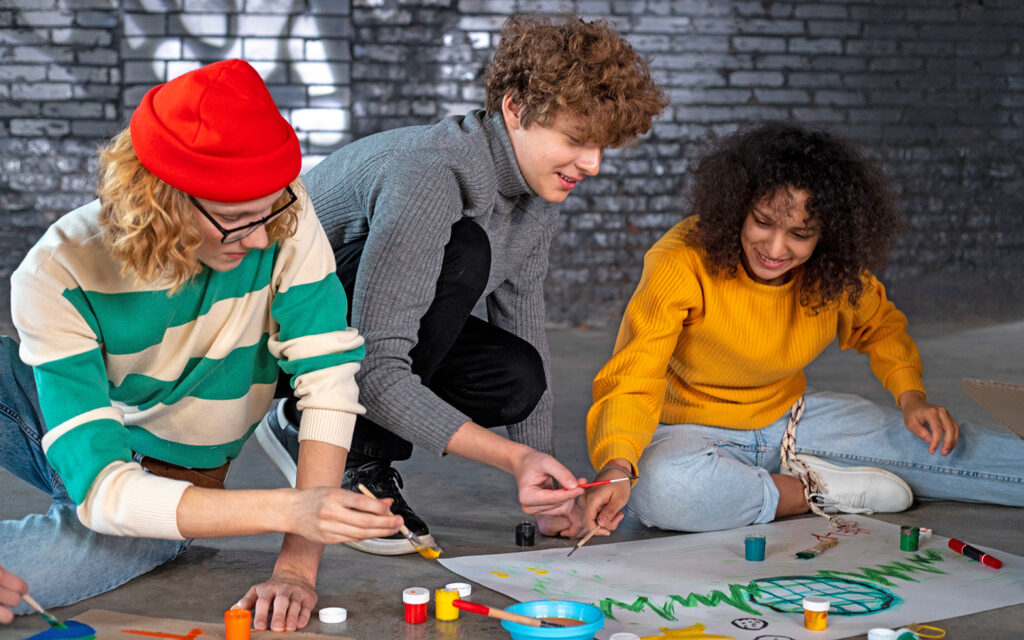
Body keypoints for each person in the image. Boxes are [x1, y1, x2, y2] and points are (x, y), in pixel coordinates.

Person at [0, 59, 402, 632]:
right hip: (69, 417)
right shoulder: (54, 272)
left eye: (270, 211)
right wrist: (293, 507)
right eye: (237, 220)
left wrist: (297, 565)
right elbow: (101, 492)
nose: (262, 238)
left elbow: (328, 380)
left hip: (169, 468)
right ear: (162, 201)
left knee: (62, 563)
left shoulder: (277, 212)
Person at [256, 13, 668, 554]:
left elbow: (525, 328)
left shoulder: (535, 196)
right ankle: (335, 442)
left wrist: (550, 492)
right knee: (467, 249)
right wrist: (513, 459)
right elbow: (378, 367)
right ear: (516, 107)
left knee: (518, 377)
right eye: (575, 139)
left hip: (353, 337)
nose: (591, 164)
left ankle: (324, 430)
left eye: (603, 147)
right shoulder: (432, 173)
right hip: (283, 344)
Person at [581, 121, 1024, 535]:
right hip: (687, 433)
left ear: (826, 235)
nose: (775, 249)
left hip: (793, 420)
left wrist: (912, 398)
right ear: (737, 208)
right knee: (661, 489)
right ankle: (810, 491)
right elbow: (635, 373)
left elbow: (880, 326)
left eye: (800, 234)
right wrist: (619, 465)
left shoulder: (834, 271)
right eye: (763, 222)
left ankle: (775, 481)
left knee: (943, 450)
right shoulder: (681, 260)